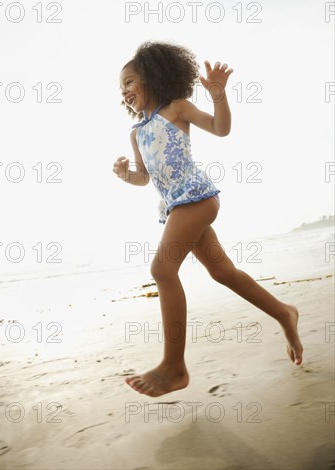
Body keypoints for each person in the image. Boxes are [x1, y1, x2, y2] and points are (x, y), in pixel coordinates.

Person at [113, 41, 303, 398]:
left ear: (153, 77)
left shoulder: (178, 109)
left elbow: (220, 128)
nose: (124, 92)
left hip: (197, 198)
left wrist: (218, 94)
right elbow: (144, 178)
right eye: (120, 88)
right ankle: (284, 314)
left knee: (162, 270)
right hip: (175, 206)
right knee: (222, 272)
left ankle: (174, 367)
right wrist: (126, 175)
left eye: (129, 82)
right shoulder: (136, 132)